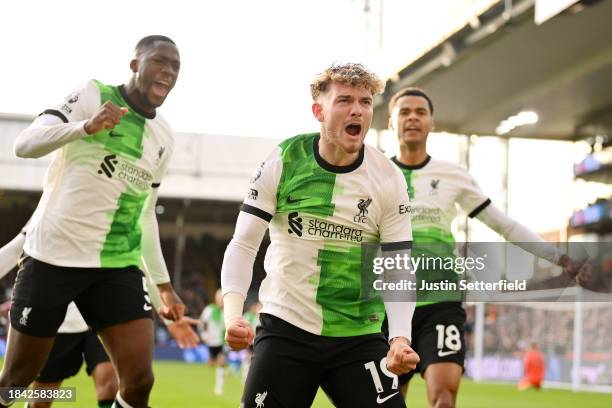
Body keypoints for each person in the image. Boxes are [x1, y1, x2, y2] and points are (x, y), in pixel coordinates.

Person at [0, 35, 185, 408]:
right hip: (54, 256)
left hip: (116, 262)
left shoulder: (163, 136)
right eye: (159, 61)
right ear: (135, 65)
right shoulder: (93, 94)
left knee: (138, 382)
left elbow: (145, 211)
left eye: (176, 66)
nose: (168, 71)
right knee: (16, 382)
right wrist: (85, 127)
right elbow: (25, 144)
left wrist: (163, 285)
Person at [221, 63, 419, 408]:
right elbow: (243, 243)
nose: (357, 110)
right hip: (286, 327)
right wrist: (233, 315)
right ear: (319, 111)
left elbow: (398, 264)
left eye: (365, 102)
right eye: (344, 100)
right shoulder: (283, 161)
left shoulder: (388, 177)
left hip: (358, 333)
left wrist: (400, 336)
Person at [385, 87, 582, 408]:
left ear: (432, 122)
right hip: (386, 302)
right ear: (391, 121)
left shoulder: (453, 175)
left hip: (440, 300)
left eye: (420, 112)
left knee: (444, 400)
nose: (412, 118)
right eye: (404, 112)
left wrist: (558, 257)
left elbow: (502, 223)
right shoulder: (375, 171)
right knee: (389, 401)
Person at [0, 232, 199, 408]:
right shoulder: (55, 209)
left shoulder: (120, 213)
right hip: (60, 322)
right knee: (39, 398)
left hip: (101, 315)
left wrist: (169, 314)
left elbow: (140, 260)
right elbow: (15, 248)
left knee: (112, 386)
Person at [199, 289, 227, 396]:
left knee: (222, 361)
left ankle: (219, 388)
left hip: (222, 342)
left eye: (223, 298)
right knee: (212, 364)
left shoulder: (227, 311)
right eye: (220, 298)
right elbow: (201, 323)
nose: (222, 300)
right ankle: (220, 370)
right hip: (211, 342)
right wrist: (203, 335)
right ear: (216, 298)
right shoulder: (209, 309)